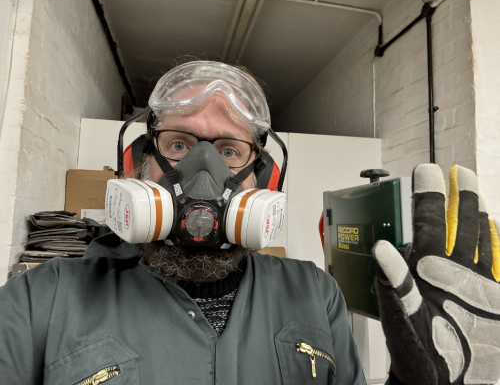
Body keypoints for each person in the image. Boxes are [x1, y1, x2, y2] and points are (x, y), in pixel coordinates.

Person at [0, 61, 366, 384]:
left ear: (262, 179)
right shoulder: (39, 302)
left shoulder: (316, 293)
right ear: (139, 166)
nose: (203, 169)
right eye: (178, 145)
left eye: (228, 151)